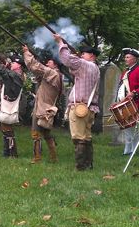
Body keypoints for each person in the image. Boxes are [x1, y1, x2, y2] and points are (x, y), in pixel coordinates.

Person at [55, 34, 100, 170]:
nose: (81, 55)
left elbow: (66, 59)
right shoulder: (95, 68)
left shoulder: (85, 65)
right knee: (86, 137)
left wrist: (60, 43)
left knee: (78, 138)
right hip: (90, 108)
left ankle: (80, 167)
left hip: (80, 107)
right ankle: (88, 164)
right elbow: (73, 68)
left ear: (92, 55)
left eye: (83, 53)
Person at [23, 46, 63, 163]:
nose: (47, 64)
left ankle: (37, 158)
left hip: (43, 108)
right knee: (46, 133)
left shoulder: (54, 74)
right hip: (44, 106)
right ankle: (53, 157)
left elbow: (35, 67)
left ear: (55, 65)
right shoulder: (55, 75)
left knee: (36, 133)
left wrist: (27, 53)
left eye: (49, 62)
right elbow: (39, 75)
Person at [0, 51, 25, 158]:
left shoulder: (16, 75)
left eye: (14, 62)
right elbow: (1, 74)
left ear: (19, 66)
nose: (11, 63)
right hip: (8, 104)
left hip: (10, 105)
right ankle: (8, 152)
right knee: (5, 130)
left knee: (8, 130)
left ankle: (11, 153)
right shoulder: (14, 74)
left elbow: (2, 72)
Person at [116, 48, 139, 155]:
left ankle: (133, 149)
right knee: (126, 127)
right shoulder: (126, 72)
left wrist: (134, 93)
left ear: (134, 59)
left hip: (135, 103)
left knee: (134, 127)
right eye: (125, 57)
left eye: (128, 57)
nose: (125, 59)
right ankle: (128, 148)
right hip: (125, 103)